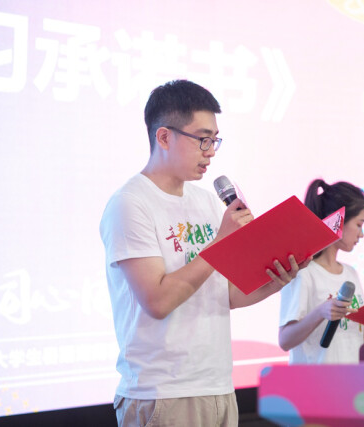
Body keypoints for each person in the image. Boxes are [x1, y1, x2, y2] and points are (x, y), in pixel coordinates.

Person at [99, 80, 306, 427]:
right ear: (164, 137)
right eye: (202, 139)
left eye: (215, 141)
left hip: (218, 387)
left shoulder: (207, 202)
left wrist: (279, 278)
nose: (210, 151)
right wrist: (221, 241)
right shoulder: (130, 204)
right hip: (163, 394)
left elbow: (228, 294)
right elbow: (158, 301)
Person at [278, 179, 364, 364]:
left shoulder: (350, 273)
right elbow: (285, 340)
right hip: (315, 379)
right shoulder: (304, 273)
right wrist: (320, 312)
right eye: (359, 224)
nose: (362, 234)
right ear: (339, 221)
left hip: (351, 377)